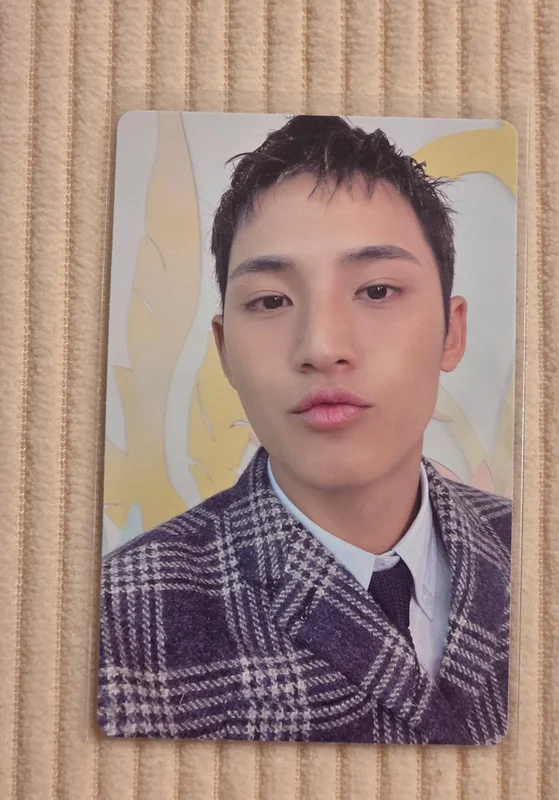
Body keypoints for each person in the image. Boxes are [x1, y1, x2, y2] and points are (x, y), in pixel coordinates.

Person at [98, 115, 512, 745]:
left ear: (451, 333)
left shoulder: (549, 558)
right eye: (270, 301)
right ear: (224, 350)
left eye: (377, 290)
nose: (320, 347)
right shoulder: (116, 624)